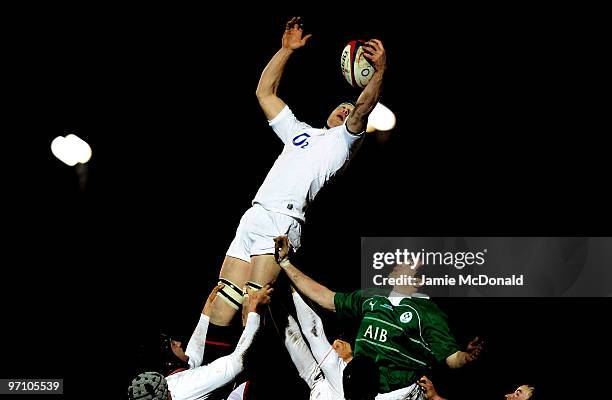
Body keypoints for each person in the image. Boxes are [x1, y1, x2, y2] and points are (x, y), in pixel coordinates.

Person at [207, 16, 388, 359]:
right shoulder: (299, 133)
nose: (346, 110)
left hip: (282, 221)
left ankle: (242, 379)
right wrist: (285, 50)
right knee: (223, 298)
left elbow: (364, 106)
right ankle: (201, 367)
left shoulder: (342, 143)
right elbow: (264, 92)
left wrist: (379, 73)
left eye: (351, 111)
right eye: (342, 106)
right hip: (255, 213)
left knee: (255, 303)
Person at [273, 235, 483, 394]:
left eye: (409, 263)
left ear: (418, 280)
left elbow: (451, 358)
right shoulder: (374, 296)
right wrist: (285, 263)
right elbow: (326, 298)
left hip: (391, 395)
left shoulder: (428, 313)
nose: (401, 262)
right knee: (311, 343)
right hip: (353, 386)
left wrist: (467, 357)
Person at [127, 283, 273, 400]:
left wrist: (206, 314)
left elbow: (192, 359)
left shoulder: (165, 388)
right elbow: (238, 361)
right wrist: (254, 308)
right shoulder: (186, 389)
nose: (178, 343)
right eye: (172, 344)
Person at [283, 288, 417, 400]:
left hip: (321, 384)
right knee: (296, 337)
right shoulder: (395, 390)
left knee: (293, 336)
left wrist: (349, 359)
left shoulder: (341, 379)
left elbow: (313, 333)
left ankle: (279, 282)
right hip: (338, 383)